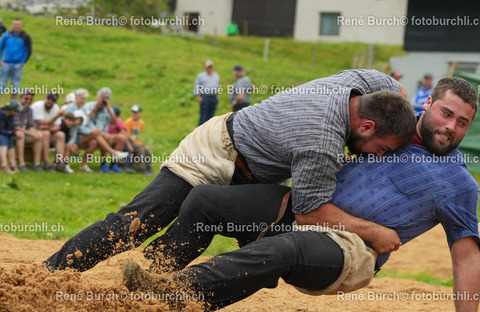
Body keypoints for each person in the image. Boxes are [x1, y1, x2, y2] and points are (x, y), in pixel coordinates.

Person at [124, 77, 480, 312]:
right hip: (306, 207)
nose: (451, 127)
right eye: (447, 113)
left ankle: (168, 296)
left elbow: (467, 258)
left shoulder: (459, 184)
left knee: (282, 249)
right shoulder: (391, 125)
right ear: (428, 103)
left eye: (463, 123)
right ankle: (143, 278)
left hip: (350, 248)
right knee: (206, 201)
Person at [44, 69, 416, 272]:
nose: (377, 156)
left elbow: (395, 88)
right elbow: (310, 212)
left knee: (198, 228)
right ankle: (47, 276)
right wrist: (374, 231)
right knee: (137, 223)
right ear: (366, 125)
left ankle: (142, 284)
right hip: (214, 151)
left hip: (252, 167)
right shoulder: (321, 140)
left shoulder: (363, 84)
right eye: (381, 149)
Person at [82, 87, 127, 173]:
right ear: (98, 97)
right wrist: (95, 108)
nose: (104, 100)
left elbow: (115, 123)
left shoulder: (108, 109)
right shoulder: (89, 105)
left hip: (104, 134)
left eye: (107, 98)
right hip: (90, 134)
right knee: (103, 136)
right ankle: (103, 164)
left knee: (121, 138)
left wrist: (109, 109)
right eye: (103, 98)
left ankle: (114, 164)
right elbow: (86, 121)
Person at [0, 18, 32, 100]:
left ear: (21, 25)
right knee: (0, 85)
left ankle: (12, 104)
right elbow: (1, 48)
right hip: (6, 63)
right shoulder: (7, 35)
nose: (16, 26)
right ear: (12, 25)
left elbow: (29, 51)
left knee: (15, 87)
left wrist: (22, 62)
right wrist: (0, 60)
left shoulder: (25, 37)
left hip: (17, 65)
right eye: (15, 24)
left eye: (18, 24)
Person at [32, 92, 67, 171]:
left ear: (55, 102)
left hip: (47, 132)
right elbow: (41, 123)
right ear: (45, 98)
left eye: (53, 100)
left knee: (61, 134)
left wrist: (49, 129)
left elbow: (58, 126)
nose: (50, 101)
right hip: (34, 132)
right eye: (49, 98)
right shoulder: (37, 106)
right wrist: (57, 116)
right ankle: (46, 162)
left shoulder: (56, 108)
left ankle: (59, 162)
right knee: (46, 133)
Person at [14, 90, 47, 171]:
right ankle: (21, 164)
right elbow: (16, 127)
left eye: (30, 99)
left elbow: (31, 125)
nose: (28, 101)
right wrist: (32, 134)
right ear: (21, 98)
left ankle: (36, 163)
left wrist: (36, 133)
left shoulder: (29, 110)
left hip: (24, 133)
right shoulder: (15, 108)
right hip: (12, 133)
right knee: (20, 134)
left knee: (39, 136)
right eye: (26, 99)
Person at [124, 104, 153, 174]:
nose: (134, 114)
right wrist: (137, 143)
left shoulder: (141, 123)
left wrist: (138, 142)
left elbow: (136, 135)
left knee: (147, 149)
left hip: (135, 141)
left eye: (136, 112)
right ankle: (142, 169)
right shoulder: (128, 121)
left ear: (140, 113)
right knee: (141, 149)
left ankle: (148, 168)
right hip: (128, 142)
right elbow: (128, 135)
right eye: (133, 112)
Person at [194, 59, 220, 125]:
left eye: (210, 66)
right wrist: (198, 96)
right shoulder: (201, 76)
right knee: (204, 115)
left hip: (214, 97)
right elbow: (197, 86)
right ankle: (200, 129)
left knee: (211, 116)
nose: (209, 68)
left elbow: (217, 85)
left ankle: (209, 130)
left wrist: (217, 95)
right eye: (208, 67)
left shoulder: (216, 75)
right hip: (205, 97)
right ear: (205, 67)